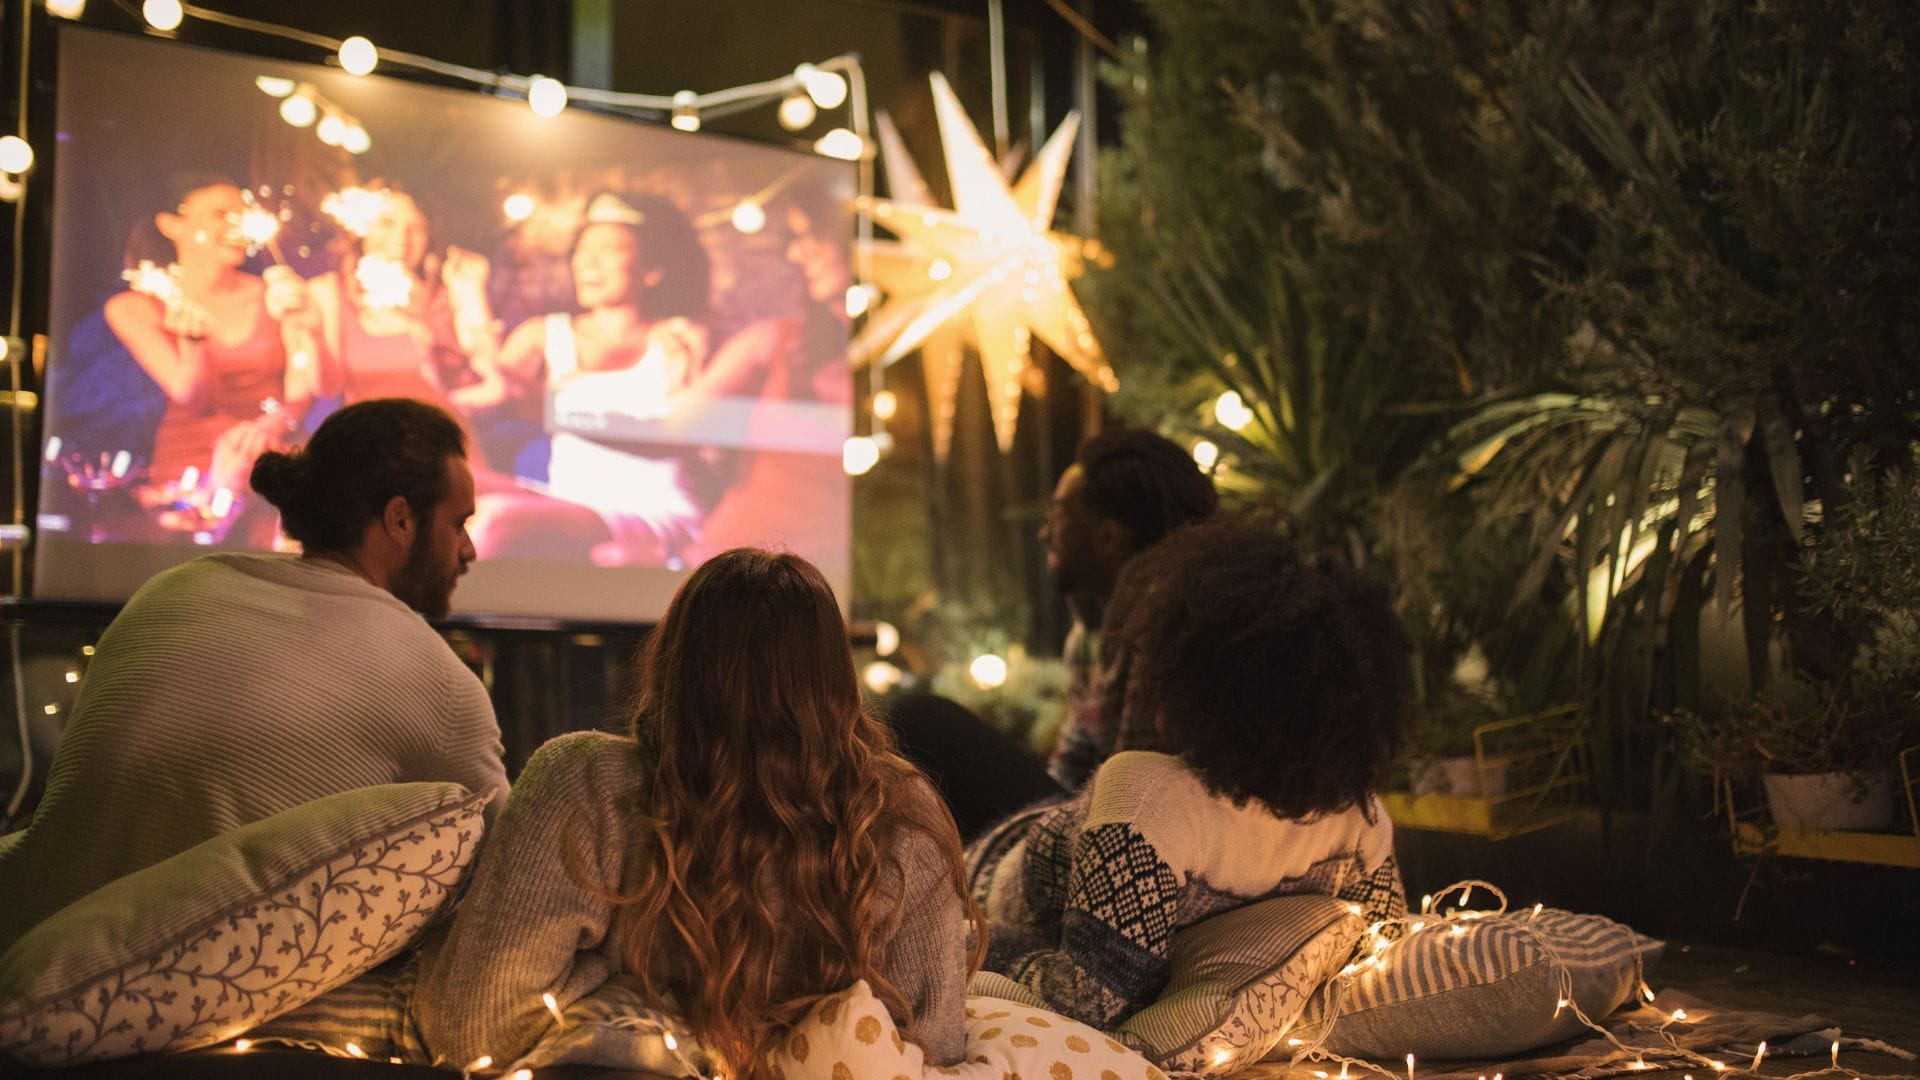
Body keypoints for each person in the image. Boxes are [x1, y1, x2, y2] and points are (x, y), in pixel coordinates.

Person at [415, 549, 977, 1076]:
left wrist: (621, 988)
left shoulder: (586, 784)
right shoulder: (899, 814)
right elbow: (937, 1051)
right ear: (835, 677)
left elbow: (469, 1031)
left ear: (673, 659)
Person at [0, 398, 508, 951]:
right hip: (169, 995)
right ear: (400, 519)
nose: (469, 548)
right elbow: (514, 876)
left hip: (17, 931)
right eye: (458, 523)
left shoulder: (173, 588)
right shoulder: (436, 680)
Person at [964, 515, 1411, 1029]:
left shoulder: (1153, 800)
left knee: (923, 720)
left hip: (980, 880)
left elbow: (1084, 1001)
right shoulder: (1361, 819)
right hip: (1029, 840)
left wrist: (965, 938)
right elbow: (1385, 956)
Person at [451, 191, 793, 566]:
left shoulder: (681, 337)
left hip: (653, 509)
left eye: (609, 250)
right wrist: (469, 296)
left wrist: (681, 372)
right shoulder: (543, 334)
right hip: (568, 500)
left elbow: (695, 441)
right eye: (582, 250)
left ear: (651, 270)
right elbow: (491, 387)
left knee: (497, 522)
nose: (589, 262)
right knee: (455, 490)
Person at [101, 175, 319, 504]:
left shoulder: (275, 292)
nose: (239, 224)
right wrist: (193, 345)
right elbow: (198, 401)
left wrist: (272, 424)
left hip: (273, 453)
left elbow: (304, 384)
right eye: (221, 214)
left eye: (244, 214)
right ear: (172, 224)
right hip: (190, 467)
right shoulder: (135, 307)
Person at [1041, 427, 1219, 788]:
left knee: (927, 720)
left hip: (1141, 824)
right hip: (1091, 808)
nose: (1045, 533)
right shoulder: (1090, 629)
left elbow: (1137, 792)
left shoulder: (1168, 629)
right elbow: (1070, 766)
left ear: (1108, 537)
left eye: (1059, 516)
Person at [301, 180, 492, 406]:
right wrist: (312, 334)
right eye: (386, 223)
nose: (401, 240)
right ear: (362, 228)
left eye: (417, 229)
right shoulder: (329, 293)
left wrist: (470, 296)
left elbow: (490, 387)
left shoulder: (450, 292)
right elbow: (327, 389)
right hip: (369, 434)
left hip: (440, 433)